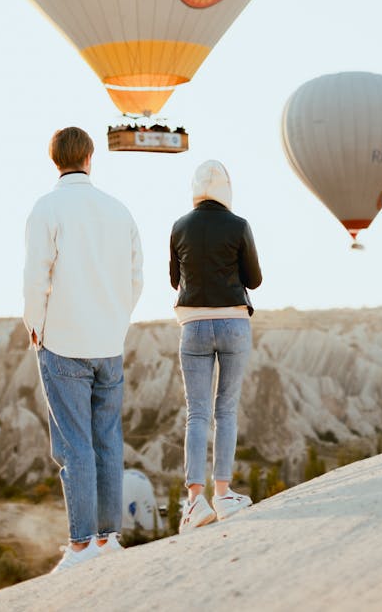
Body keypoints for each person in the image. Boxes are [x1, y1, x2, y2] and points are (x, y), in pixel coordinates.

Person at [23, 126, 143, 571]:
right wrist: (117, 318)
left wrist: (35, 324)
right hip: (108, 343)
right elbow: (136, 276)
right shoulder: (118, 210)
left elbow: (36, 273)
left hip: (64, 342)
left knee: (75, 445)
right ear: (90, 157)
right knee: (108, 440)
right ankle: (110, 538)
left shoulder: (47, 208)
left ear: (55, 160)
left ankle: (80, 545)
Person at [169, 159, 262, 533]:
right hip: (234, 323)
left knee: (197, 413)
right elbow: (253, 280)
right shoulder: (239, 225)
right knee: (226, 409)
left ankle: (195, 502)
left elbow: (174, 278)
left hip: (192, 324)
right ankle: (223, 493)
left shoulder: (179, 227)